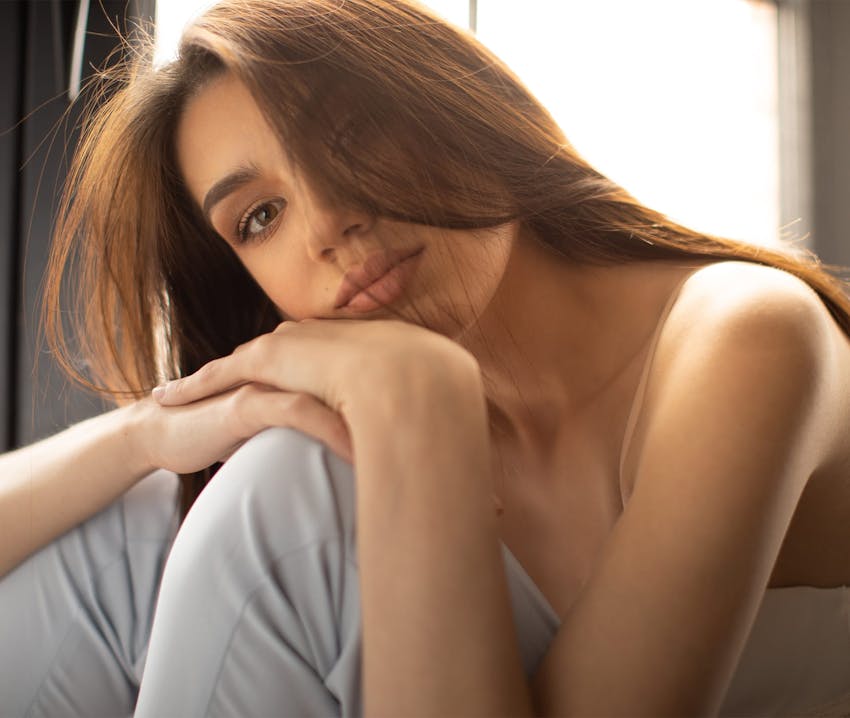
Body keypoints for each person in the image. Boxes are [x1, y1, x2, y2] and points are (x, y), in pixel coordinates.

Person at [2, 0, 849, 715]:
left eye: (348, 137)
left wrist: (428, 404)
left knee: (283, 486)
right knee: (147, 519)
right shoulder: (348, 414)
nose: (327, 223)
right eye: (260, 217)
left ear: (454, 105)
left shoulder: (746, 337)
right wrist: (147, 433)